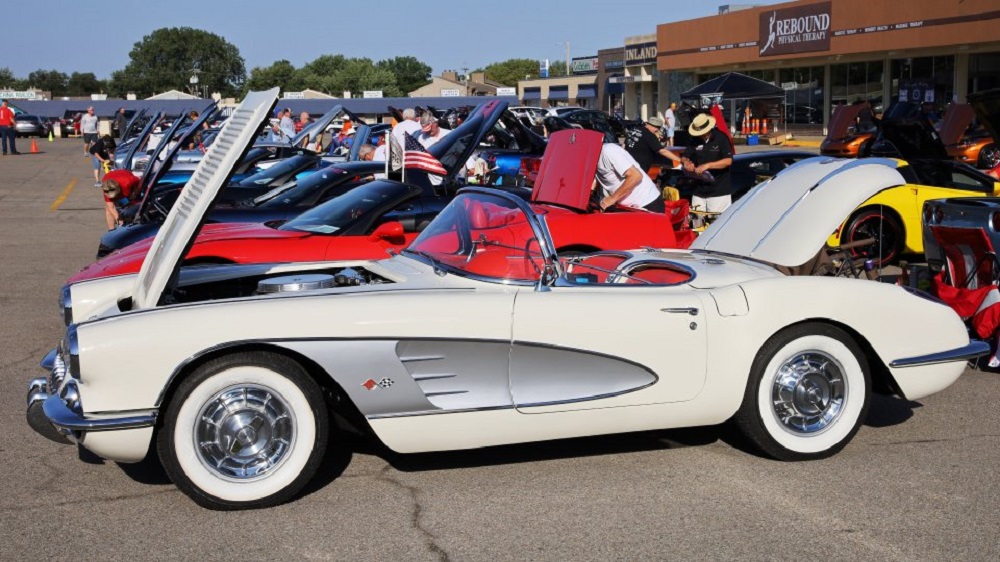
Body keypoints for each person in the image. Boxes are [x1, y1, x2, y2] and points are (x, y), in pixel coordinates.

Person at [681, 113, 734, 214]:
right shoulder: (694, 140)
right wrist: (686, 162)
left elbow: (728, 161)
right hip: (698, 189)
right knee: (697, 221)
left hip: (719, 190)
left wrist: (708, 165)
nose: (700, 135)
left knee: (716, 223)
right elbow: (685, 155)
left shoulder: (721, 138)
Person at [594, 139, 663, 213]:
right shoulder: (591, 160)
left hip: (646, 204)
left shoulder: (608, 152)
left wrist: (612, 199)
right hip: (626, 207)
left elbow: (636, 176)